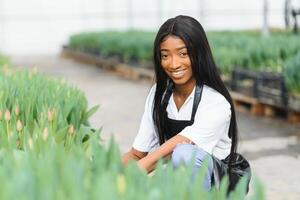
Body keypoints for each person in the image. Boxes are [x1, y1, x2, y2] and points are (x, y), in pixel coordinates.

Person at [122, 15, 239, 191]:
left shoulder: (215, 102)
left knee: (184, 154)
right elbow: (138, 154)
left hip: (215, 188)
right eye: (165, 55)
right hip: (177, 182)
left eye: (183, 54)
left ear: (198, 53)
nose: (174, 64)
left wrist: (137, 171)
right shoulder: (158, 95)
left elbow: (179, 146)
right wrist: (105, 172)